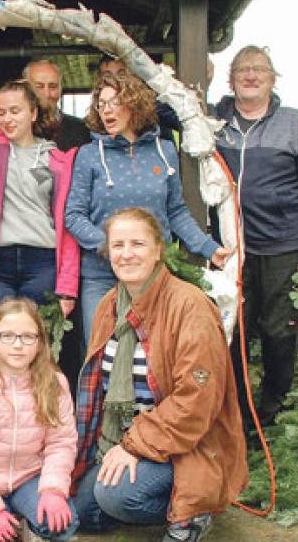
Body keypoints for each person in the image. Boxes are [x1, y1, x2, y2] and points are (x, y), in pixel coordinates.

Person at [71, 208, 248, 542]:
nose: (126, 254)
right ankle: (151, 493)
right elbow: (99, 390)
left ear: (158, 249)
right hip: (126, 437)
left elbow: (196, 402)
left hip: (188, 444)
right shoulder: (109, 305)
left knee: (115, 497)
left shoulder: (189, 307)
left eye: (137, 243)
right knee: (82, 513)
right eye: (118, 245)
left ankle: (194, 510)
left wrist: (134, 446)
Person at [65, 73, 230, 347]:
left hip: (152, 274)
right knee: (101, 354)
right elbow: (74, 215)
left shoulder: (164, 151)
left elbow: (176, 212)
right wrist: (112, 247)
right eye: (101, 104)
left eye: (114, 102)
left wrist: (210, 249)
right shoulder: (89, 155)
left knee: (152, 355)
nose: (106, 110)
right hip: (102, 276)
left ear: (134, 104)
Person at [213, 45, 298, 426]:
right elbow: (169, 112)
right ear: (230, 79)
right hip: (235, 249)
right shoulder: (216, 122)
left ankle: (272, 409)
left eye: (259, 69)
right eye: (242, 70)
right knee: (234, 330)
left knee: (280, 331)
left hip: (285, 246)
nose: (251, 75)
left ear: (272, 78)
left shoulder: (295, 124)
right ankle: (236, 411)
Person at [0, 14, 79, 351]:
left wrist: (67, 286)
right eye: (1, 112)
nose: (7, 119)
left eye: (15, 111)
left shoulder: (59, 161)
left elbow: (67, 228)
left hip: (43, 263)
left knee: (36, 351)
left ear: (34, 113)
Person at [0, 298, 80, 542]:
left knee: (61, 525)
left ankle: (29, 523)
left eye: (28, 337)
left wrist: (53, 490)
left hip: (30, 478)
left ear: (40, 343)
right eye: (7, 335)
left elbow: (61, 443)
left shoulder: (54, 384)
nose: (18, 345)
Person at [96, 57, 181, 142]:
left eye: (121, 74)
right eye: (108, 76)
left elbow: (186, 124)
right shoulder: (98, 114)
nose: (115, 80)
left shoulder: (153, 106)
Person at [23, 58, 89, 151]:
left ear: (60, 89)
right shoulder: (14, 129)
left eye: (53, 87)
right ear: (24, 88)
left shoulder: (82, 130)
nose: (47, 94)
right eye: (39, 87)